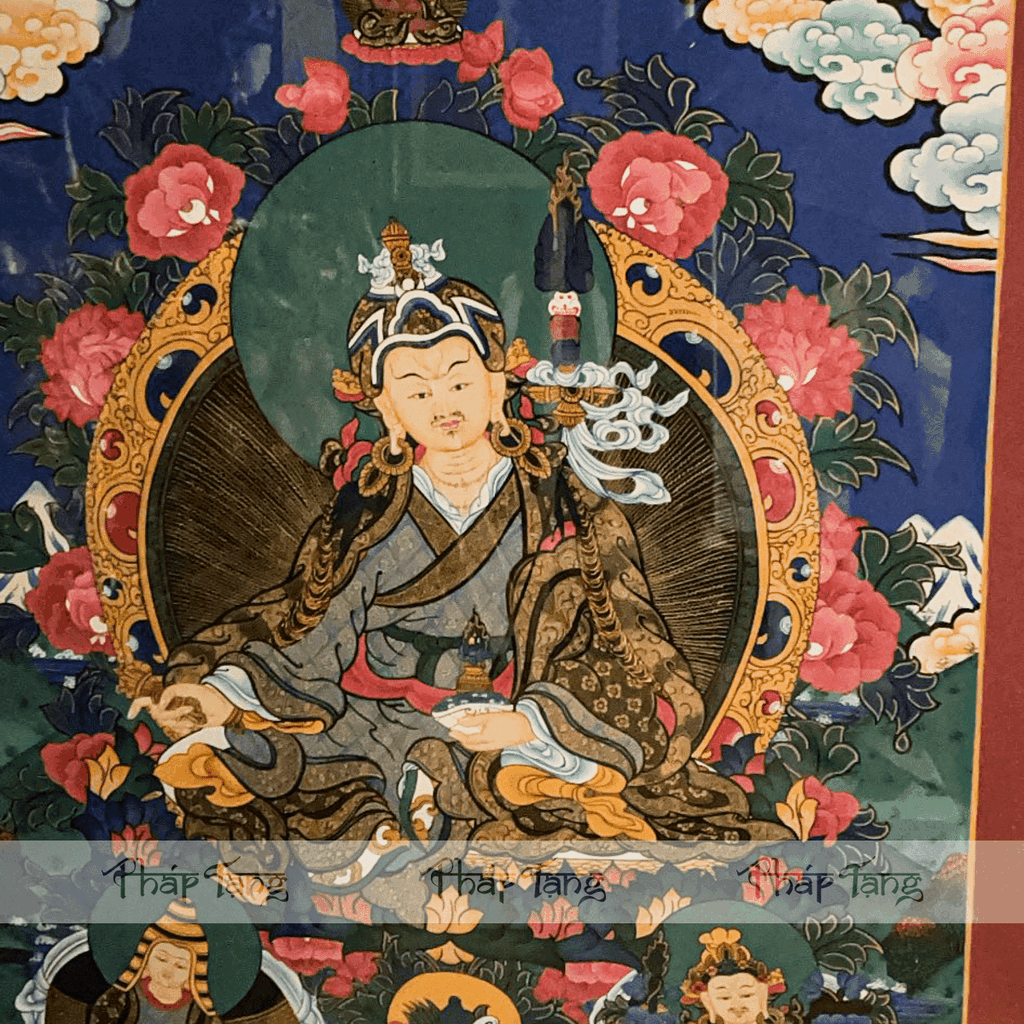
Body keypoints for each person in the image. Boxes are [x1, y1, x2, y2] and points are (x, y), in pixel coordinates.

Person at [133, 220, 787, 869]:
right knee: (258, 758)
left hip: (514, 717)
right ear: (387, 410)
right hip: (375, 716)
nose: (442, 403)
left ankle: (463, 793)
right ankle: (403, 807)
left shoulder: (563, 505)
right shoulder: (366, 512)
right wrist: (222, 694)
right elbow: (312, 635)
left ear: (497, 384)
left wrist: (531, 721)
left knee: (545, 777)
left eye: (458, 379)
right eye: (415, 390)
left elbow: (617, 645)